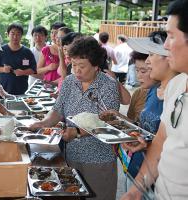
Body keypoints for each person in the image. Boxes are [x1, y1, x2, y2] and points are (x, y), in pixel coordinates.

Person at [30, 36, 120, 200]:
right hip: (71, 156)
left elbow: (108, 121)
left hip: (98, 158)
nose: (76, 70)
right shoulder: (69, 82)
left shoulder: (109, 85)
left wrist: (77, 132)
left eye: (82, 66)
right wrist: (43, 123)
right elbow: (57, 110)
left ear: (95, 65)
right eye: (74, 64)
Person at [121, 0, 188, 199]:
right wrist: (136, 191)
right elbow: (160, 142)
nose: (166, 46)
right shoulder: (177, 86)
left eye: (171, 36)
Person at [0, 23, 36, 95]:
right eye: (12, 33)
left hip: (22, 92)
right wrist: (3, 69)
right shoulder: (0, 50)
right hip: (3, 91)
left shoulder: (27, 52)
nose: (15, 36)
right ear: (7, 34)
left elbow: (33, 69)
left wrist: (23, 72)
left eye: (18, 34)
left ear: (21, 36)